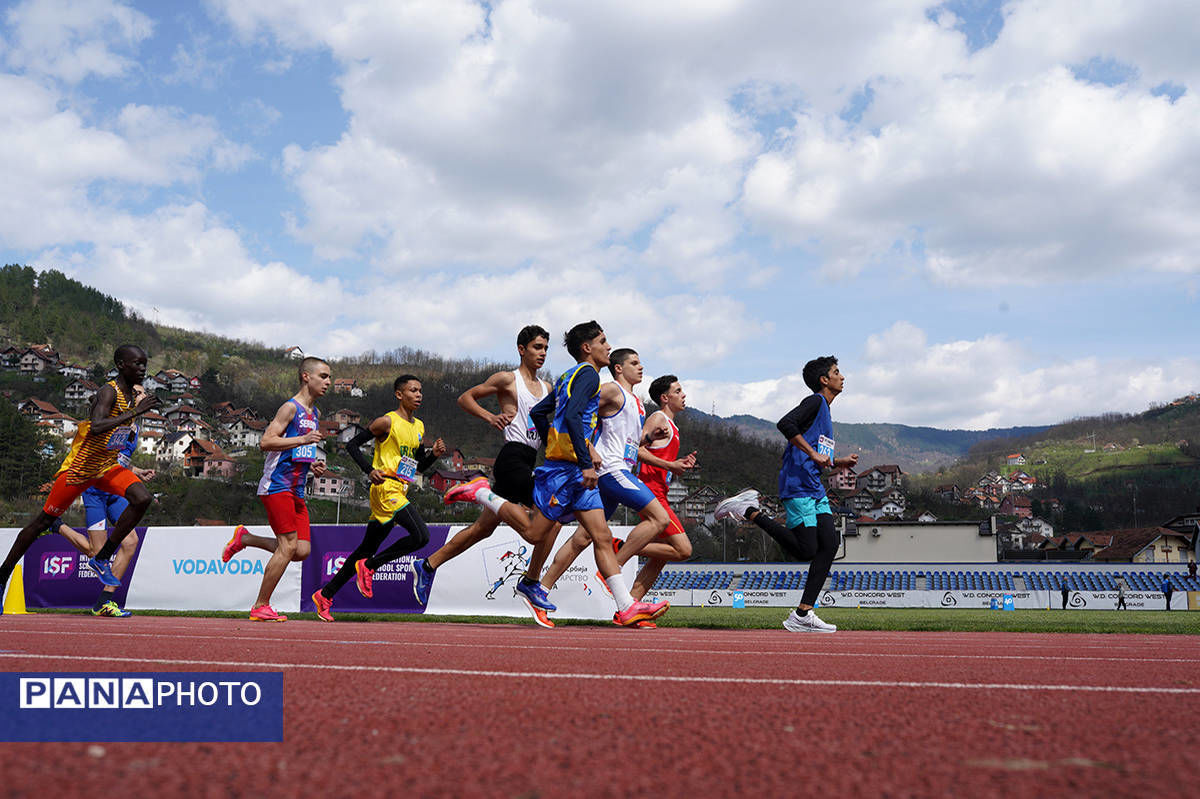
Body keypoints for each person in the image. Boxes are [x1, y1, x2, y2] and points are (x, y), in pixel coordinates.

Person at [511, 321, 668, 628]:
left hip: (574, 466)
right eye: (603, 341)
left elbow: (539, 413)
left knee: (600, 536)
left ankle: (625, 606)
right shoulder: (587, 375)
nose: (608, 346)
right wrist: (581, 458)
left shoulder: (568, 376)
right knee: (534, 534)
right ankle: (480, 492)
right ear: (587, 348)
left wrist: (558, 443)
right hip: (571, 471)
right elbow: (570, 416)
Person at [538, 349, 693, 627]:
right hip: (611, 470)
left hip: (614, 471)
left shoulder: (638, 403)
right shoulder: (610, 389)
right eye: (634, 363)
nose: (641, 367)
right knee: (660, 519)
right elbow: (573, 415)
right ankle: (615, 564)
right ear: (619, 369)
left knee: (582, 539)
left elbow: (627, 443)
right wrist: (586, 447)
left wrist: (647, 437)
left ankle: (542, 590)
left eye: (641, 362)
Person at [0, 345, 160, 607]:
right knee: (41, 522)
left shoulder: (132, 395)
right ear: (121, 365)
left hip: (108, 467)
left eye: (145, 364)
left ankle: (101, 557)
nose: (143, 369)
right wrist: (135, 413)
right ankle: (2, 574)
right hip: (81, 471)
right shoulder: (108, 391)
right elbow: (96, 427)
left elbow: (116, 436)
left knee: (142, 498)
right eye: (137, 364)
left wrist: (136, 413)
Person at [416, 325, 560, 609]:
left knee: (482, 529)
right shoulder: (508, 379)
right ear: (522, 349)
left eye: (545, 348)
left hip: (530, 458)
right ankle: (531, 582)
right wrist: (490, 417)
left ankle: (427, 566)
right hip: (511, 458)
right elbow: (465, 398)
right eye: (537, 347)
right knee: (551, 516)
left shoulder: (548, 388)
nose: (542, 353)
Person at [713, 355, 857, 633]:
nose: (843, 376)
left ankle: (803, 614)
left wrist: (838, 462)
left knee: (829, 546)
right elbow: (785, 424)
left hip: (814, 487)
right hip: (798, 485)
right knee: (807, 550)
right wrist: (813, 452)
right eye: (837, 372)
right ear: (824, 380)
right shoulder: (815, 402)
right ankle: (748, 511)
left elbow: (818, 456)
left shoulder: (825, 411)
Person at [307, 374, 445, 622]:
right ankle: (370, 567)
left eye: (420, 391)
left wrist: (433, 455)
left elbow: (416, 467)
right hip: (384, 489)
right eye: (413, 390)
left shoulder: (419, 427)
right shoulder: (386, 422)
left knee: (365, 549)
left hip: (400, 488)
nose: (419, 395)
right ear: (399, 394)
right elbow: (352, 445)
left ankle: (325, 595)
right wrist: (369, 470)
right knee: (421, 536)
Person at [222, 356, 329, 622]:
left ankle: (245, 539)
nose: (328, 382)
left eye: (329, 377)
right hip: (276, 486)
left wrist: (312, 464)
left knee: (300, 551)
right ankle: (261, 605)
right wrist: (303, 438)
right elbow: (267, 441)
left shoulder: (315, 414)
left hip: (297, 489)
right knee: (288, 545)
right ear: (306, 376)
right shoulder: (289, 408)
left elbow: (297, 450)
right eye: (323, 376)